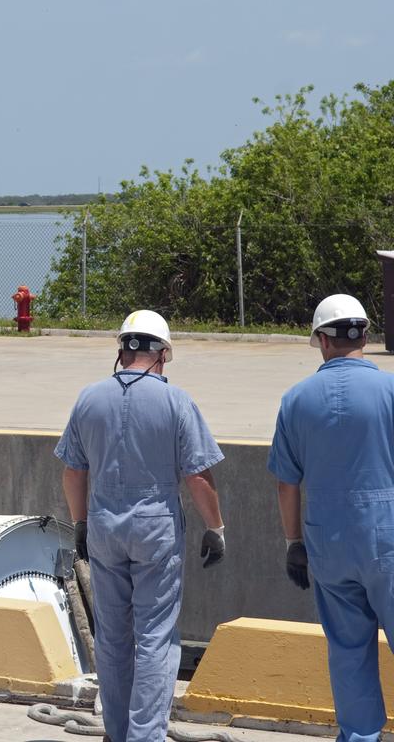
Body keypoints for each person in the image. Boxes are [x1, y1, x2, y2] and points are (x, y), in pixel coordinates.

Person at [55, 310, 226, 742]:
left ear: (121, 350)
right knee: (155, 637)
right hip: (155, 530)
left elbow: (73, 473)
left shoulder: (88, 398)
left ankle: (117, 731)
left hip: (103, 528)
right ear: (162, 353)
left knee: (112, 637)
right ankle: (144, 735)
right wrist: (215, 527)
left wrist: (80, 523)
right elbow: (199, 476)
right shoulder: (176, 401)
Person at [268, 294, 394, 742]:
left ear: (322, 340)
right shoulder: (391, 389)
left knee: (348, 649)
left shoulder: (296, 399)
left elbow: (287, 483)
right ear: (364, 335)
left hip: (328, 543)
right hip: (388, 537)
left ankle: (359, 737)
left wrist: (293, 544)